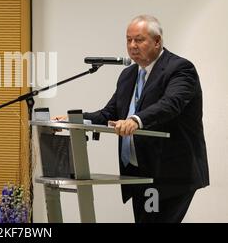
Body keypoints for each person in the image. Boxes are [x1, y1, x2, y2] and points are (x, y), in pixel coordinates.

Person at [56, 15, 209, 223]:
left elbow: (170, 104)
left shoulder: (180, 69)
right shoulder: (128, 75)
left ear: (157, 41)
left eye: (139, 40)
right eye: (128, 40)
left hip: (169, 173)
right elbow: (108, 114)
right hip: (138, 173)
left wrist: (136, 120)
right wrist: (75, 119)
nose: (132, 45)